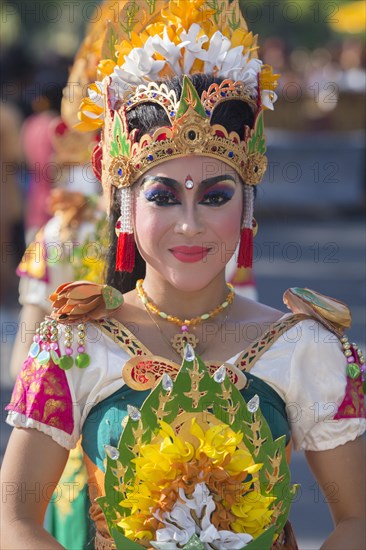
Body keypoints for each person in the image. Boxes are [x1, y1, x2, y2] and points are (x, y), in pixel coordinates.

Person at [1, 1, 365, 549]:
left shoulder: (305, 346)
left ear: (246, 207)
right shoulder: (72, 343)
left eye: (216, 196)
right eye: (163, 198)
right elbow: (17, 520)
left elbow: (356, 520)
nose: (190, 225)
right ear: (124, 209)